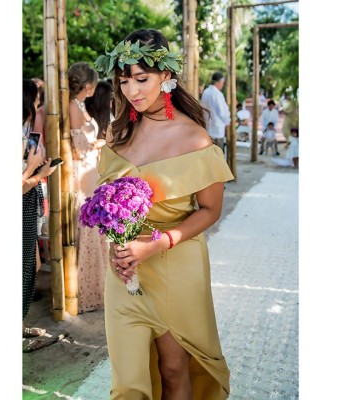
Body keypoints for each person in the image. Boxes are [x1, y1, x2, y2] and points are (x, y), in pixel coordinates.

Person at [95, 28, 232, 399]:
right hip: (125, 269)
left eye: (141, 79)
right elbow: (106, 202)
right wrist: (115, 241)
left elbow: (211, 210)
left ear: (166, 75)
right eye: (124, 81)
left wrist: (157, 243)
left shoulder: (195, 138)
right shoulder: (117, 133)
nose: (132, 91)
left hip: (176, 266)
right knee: (127, 382)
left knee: (174, 370)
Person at [68, 62, 109, 313]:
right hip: (82, 169)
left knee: (95, 225)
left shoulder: (80, 105)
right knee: (87, 225)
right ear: (88, 85)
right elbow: (78, 147)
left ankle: (97, 283)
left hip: (91, 169)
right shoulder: (73, 106)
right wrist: (99, 143)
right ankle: (86, 289)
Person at [22, 79, 58, 337]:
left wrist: (37, 169)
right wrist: (37, 170)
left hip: (28, 202)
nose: (38, 105)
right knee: (26, 267)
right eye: (36, 100)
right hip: (22, 204)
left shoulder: (25, 133)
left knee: (31, 264)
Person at [200, 71, 231, 153]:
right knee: (218, 154)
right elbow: (222, 112)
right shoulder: (217, 94)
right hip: (217, 129)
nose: (222, 85)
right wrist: (227, 121)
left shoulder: (206, 92)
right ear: (219, 82)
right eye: (222, 83)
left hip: (207, 128)